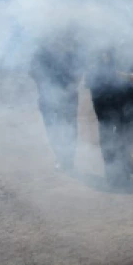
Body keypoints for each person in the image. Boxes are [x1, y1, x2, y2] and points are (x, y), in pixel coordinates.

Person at [86, 35, 133, 187]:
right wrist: (130, 77)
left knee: (122, 135)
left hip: (117, 100)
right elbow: (104, 72)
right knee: (108, 135)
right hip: (104, 101)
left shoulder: (118, 50)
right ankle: (113, 175)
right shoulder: (99, 54)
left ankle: (121, 169)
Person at [30, 28, 83, 171]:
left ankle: (69, 159)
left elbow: (79, 73)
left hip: (69, 97)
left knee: (70, 128)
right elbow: (34, 72)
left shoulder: (70, 53)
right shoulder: (40, 53)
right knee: (52, 128)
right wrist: (48, 87)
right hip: (47, 97)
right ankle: (61, 157)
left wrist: (69, 88)